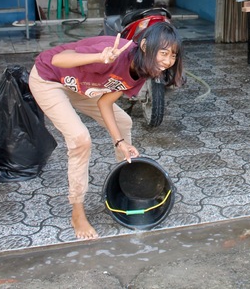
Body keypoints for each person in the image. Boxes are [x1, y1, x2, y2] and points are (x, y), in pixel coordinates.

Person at [28, 22, 184, 239]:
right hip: (49, 78)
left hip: (81, 86)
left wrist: (120, 142)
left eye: (173, 56)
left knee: (124, 123)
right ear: (146, 46)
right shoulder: (114, 50)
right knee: (81, 139)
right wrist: (98, 58)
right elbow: (57, 59)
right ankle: (77, 212)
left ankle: (124, 182)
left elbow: (105, 103)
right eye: (164, 53)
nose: (168, 62)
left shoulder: (143, 70)